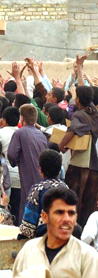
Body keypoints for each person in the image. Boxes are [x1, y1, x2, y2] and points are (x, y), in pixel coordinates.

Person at [12, 187, 98, 276]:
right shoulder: (29, 250)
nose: (66, 219)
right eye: (59, 212)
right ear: (45, 217)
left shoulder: (87, 257)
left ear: (76, 218)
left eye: (71, 213)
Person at [60, 85, 98, 226]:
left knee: (73, 200)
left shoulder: (78, 115)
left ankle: (73, 231)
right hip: (94, 164)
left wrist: (61, 145)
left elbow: (72, 130)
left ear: (77, 100)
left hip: (79, 164)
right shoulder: (94, 112)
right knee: (90, 203)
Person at [8, 103, 48, 221]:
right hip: (42, 177)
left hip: (27, 174)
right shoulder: (41, 135)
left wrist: (15, 162)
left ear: (22, 118)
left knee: (26, 205)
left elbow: (11, 154)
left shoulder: (20, 133)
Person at [19, 150, 68, 240]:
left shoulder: (38, 189)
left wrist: (21, 237)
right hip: (64, 236)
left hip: (44, 239)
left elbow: (28, 225)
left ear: (40, 169)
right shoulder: (65, 188)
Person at [0, 106, 21, 223]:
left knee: (4, 212)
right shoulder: (21, 133)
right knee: (17, 211)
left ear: (3, 120)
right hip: (20, 178)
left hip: (4, 178)